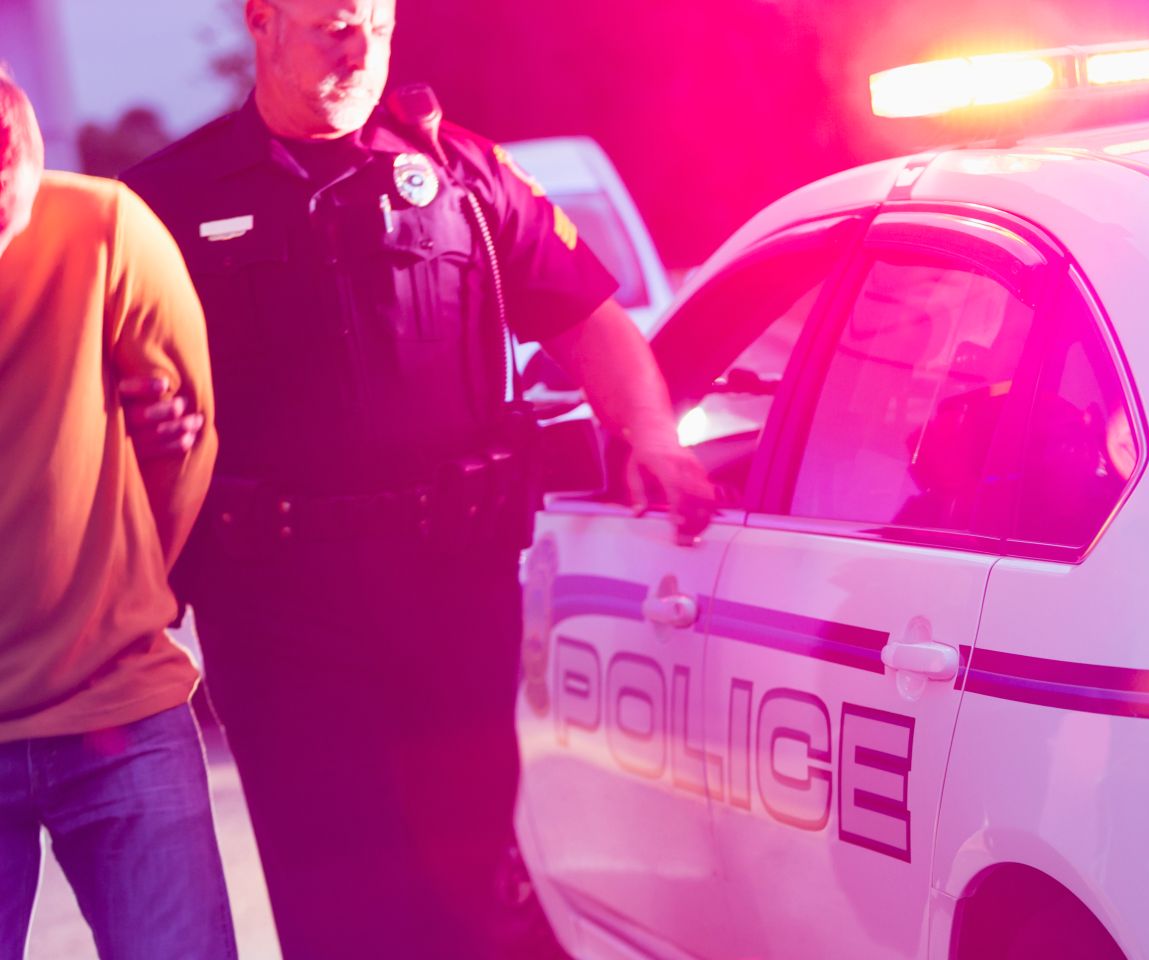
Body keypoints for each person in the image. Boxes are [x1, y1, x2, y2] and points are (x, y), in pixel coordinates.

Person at [121, 1, 715, 957]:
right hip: (279, 609)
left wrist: (654, 435)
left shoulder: (461, 175)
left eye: (378, 27)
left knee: (474, 882)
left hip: (454, 590)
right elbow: (105, 378)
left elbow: (587, 315)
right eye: (334, 27)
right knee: (338, 895)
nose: (362, 51)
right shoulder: (164, 200)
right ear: (262, 22)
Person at [0, 67, 233, 959]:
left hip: (118, 708)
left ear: (33, 156)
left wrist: (123, 596)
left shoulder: (104, 227)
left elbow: (189, 439)